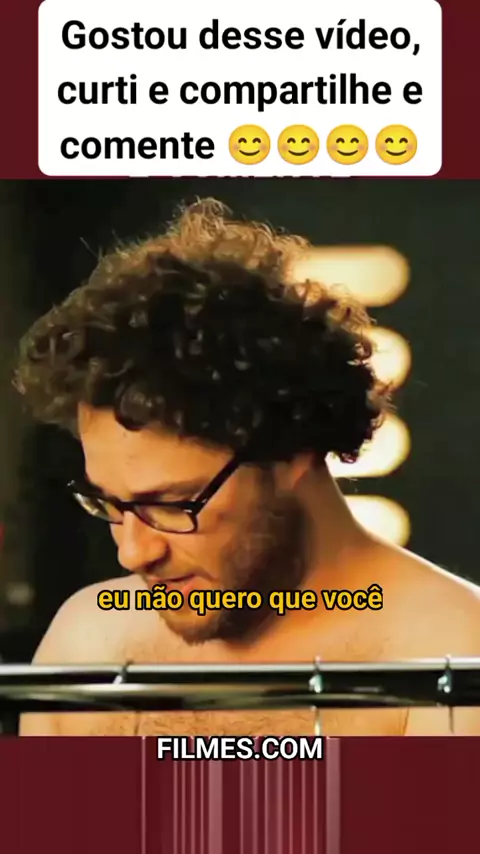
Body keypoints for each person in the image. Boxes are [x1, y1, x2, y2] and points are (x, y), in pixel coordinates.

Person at [15, 198, 480, 737]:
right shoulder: (88, 641)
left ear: (289, 452)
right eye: (112, 504)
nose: (134, 552)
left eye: (172, 504)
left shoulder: (455, 655)